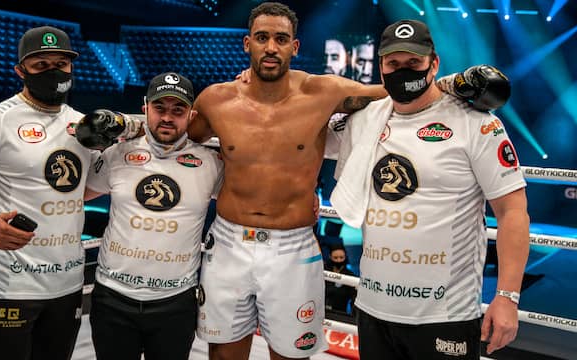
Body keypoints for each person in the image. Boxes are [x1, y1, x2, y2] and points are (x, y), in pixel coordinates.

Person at [186, 2, 511, 360]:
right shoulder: (216, 99)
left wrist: (451, 82)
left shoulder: (323, 93)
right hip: (229, 242)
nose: (271, 47)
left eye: (281, 39)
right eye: (262, 38)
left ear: (295, 46)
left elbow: (396, 89)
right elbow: (185, 140)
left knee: (289, 355)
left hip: (292, 247)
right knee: (222, 355)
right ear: (247, 43)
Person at [330, 19, 530, 359]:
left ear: (433, 63)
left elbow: (512, 212)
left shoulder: (476, 124)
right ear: (381, 67)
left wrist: (507, 297)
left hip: (445, 316)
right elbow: (306, 124)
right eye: (394, 64)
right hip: (373, 307)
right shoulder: (366, 119)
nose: (403, 71)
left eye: (414, 63)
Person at [0, 26, 91, 359]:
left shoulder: (82, 126)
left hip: (66, 285)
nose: (53, 72)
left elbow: (82, 190)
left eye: (60, 64)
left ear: (71, 68)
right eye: (41, 66)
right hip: (10, 284)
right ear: (20, 71)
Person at [80, 72, 223, 360]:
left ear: (191, 115)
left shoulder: (209, 163)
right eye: (160, 108)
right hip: (113, 297)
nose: (167, 117)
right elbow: (78, 195)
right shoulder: (118, 153)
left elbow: (245, 201)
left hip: (176, 302)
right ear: (145, 108)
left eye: (177, 110)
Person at [324, 243, 356, 315]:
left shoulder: (350, 277)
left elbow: (354, 300)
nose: (338, 260)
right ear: (330, 257)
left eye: (341, 257)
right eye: (335, 258)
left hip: (340, 314)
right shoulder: (323, 271)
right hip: (321, 312)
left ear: (345, 257)